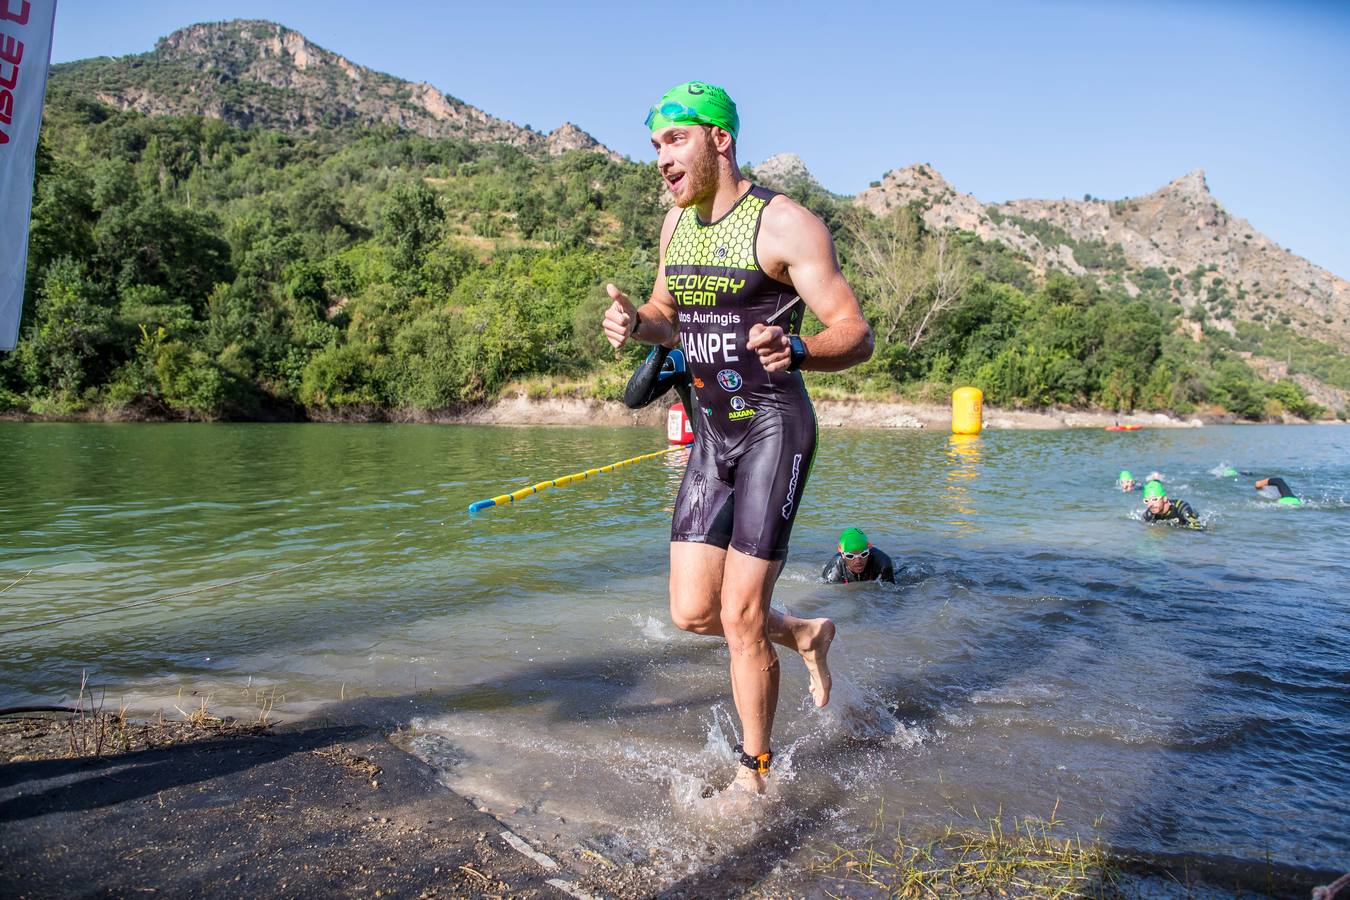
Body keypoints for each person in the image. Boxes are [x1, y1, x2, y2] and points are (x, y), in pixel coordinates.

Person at [602, 81, 873, 794]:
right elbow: (667, 312)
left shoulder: (784, 224)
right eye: (656, 145)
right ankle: (807, 634)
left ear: (719, 140)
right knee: (695, 613)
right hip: (713, 435)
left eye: (675, 139)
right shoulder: (675, 225)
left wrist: (806, 348)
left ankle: (755, 773)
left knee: (741, 612)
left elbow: (856, 331)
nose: (661, 158)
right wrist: (639, 325)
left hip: (774, 430)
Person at [821, 528, 895, 584]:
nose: (858, 561)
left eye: (863, 554)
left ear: (869, 547)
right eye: (850, 556)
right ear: (842, 553)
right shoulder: (833, 570)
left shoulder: (883, 563)